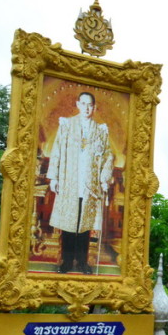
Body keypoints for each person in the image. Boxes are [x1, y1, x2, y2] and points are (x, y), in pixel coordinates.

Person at [46, 91, 114, 274]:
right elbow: (57, 149)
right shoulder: (67, 125)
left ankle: (82, 262)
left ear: (94, 107)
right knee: (69, 224)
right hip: (70, 180)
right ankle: (67, 261)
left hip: (89, 184)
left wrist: (104, 178)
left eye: (90, 105)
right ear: (77, 104)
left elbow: (108, 156)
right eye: (83, 103)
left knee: (84, 225)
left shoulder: (100, 130)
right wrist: (54, 177)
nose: (86, 108)